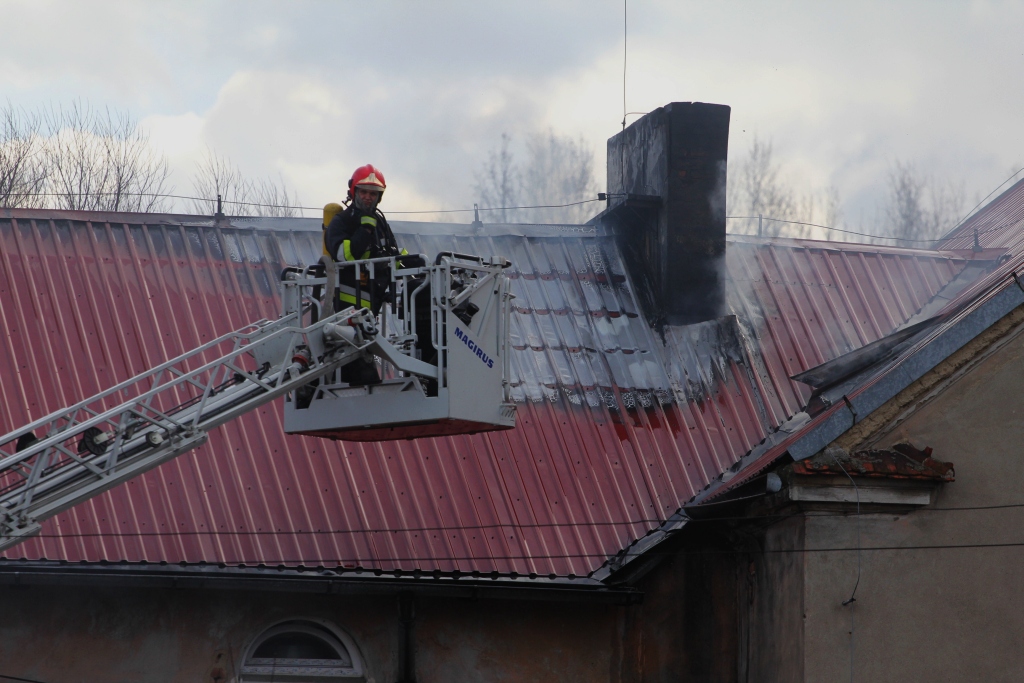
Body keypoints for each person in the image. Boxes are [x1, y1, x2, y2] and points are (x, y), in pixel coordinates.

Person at [324, 165, 432, 386]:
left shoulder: (380, 223)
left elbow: (390, 254)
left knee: (362, 364)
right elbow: (344, 256)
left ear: (379, 197)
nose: (367, 197)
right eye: (363, 191)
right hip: (345, 311)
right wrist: (363, 231)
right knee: (359, 372)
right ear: (354, 191)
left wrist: (418, 266)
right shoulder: (342, 222)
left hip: (369, 312)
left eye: (373, 193)